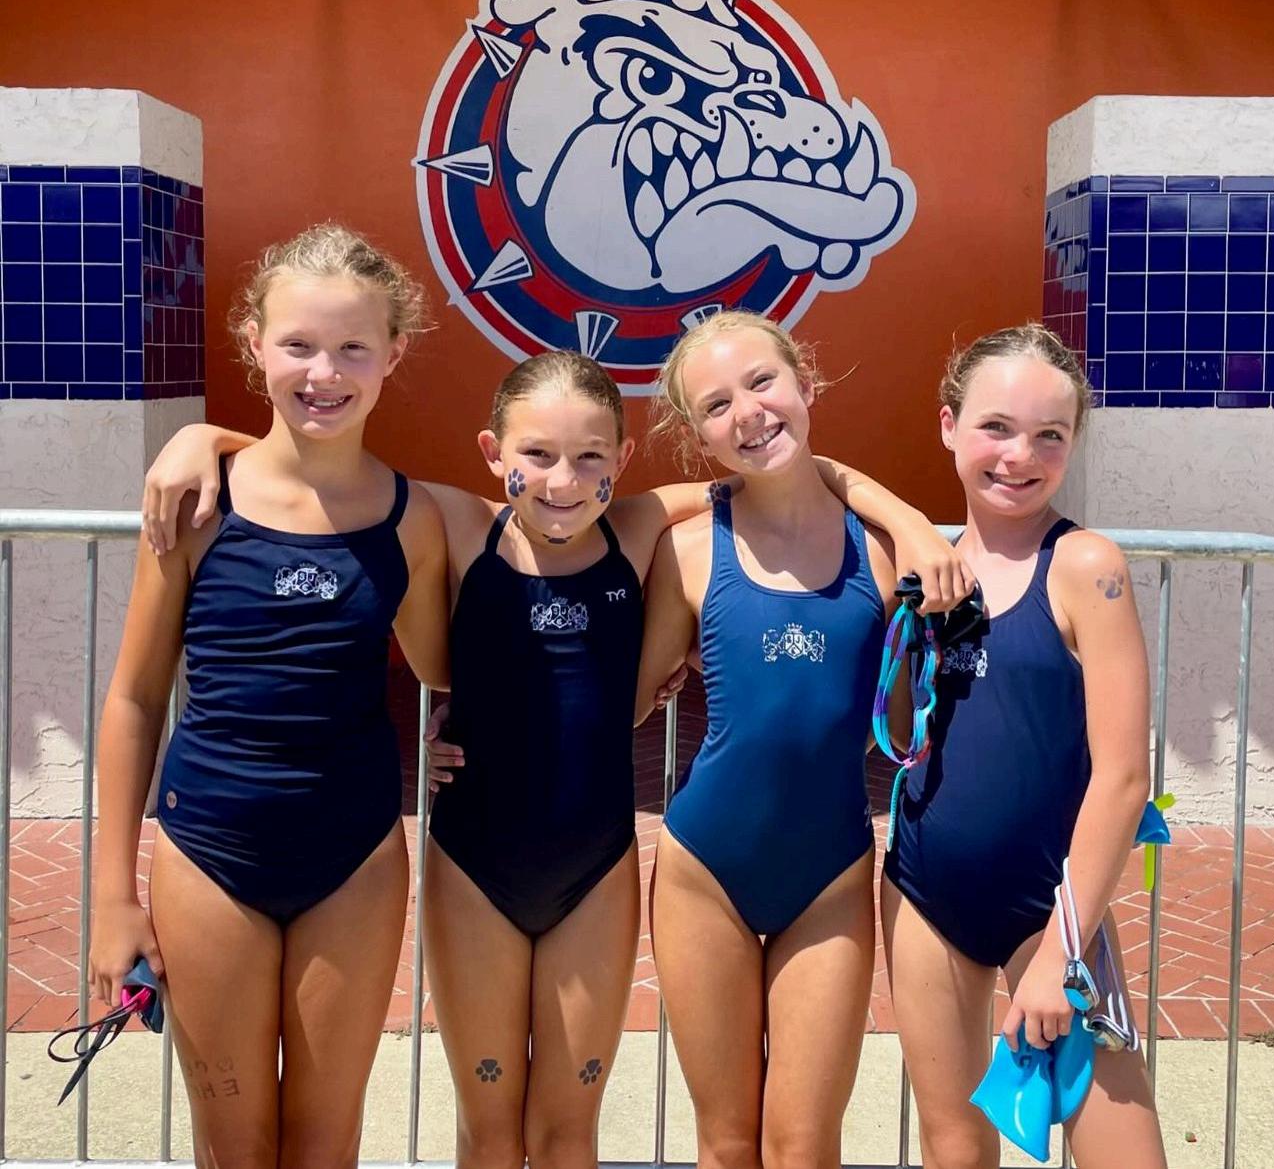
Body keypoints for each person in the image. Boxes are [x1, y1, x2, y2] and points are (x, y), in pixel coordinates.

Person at [142, 348, 965, 1169]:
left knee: (569, 1137)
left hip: (593, 876)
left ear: (623, 458)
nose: (563, 480)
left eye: (589, 457)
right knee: (490, 1135)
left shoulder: (635, 530)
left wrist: (901, 517)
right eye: (535, 454)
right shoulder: (457, 524)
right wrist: (205, 440)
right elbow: (326, 465)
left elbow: (785, 471)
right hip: (474, 870)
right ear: (492, 451)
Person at [89, 224, 450, 1168]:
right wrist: (112, 895)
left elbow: (446, 665)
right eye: (298, 344)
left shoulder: (413, 521)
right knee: (234, 1146)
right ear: (254, 343)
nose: (323, 371)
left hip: (355, 861)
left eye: (352, 347)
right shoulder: (194, 505)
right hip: (209, 854)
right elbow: (134, 697)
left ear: (393, 354)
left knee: (325, 1144)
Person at [881, 324, 1167, 1169]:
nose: (1020, 455)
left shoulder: (1084, 565)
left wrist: (1060, 954)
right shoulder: (927, 576)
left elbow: (1124, 778)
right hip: (923, 895)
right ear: (948, 426)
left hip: (1056, 908)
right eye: (996, 427)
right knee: (956, 1151)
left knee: (1127, 1156)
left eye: (1050, 434)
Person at [633, 310, 904, 1169]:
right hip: (704, 872)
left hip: (829, 876)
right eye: (716, 405)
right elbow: (624, 703)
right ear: (698, 437)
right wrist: (470, 720)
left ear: (804, 382)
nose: (747, 412)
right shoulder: (687, 550)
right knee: (726, 1143)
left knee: (802, 1146)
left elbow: (905, 727)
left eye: (762, 382)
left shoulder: (886, 552)